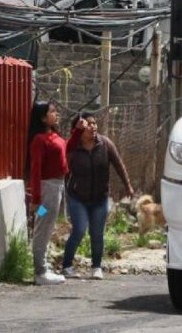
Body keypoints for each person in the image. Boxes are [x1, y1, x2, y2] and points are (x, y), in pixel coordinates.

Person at [61, 112, 134, 280]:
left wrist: (128, 186)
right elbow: (64, 171)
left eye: (95, 123)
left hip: (100, 198)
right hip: (77, 197)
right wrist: (60, 193)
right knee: (79, 230)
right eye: (89, 124)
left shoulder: (105, 143)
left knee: (97, 233)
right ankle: (66, 265)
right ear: (79, 128)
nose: (93, 126)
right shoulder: (74, 148)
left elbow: (119, 165)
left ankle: (96, 266)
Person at [27, 101, 68, 285]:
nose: (56, 113)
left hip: (57, 187)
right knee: (42, 227)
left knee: (47, 226)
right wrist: (36, 199)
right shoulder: (40, 140)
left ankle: (43, 266)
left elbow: (66, 150)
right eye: (52, 111)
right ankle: (40, 271)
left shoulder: (55, 136)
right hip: (47, 191)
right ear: (43, 117)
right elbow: (35, 171)